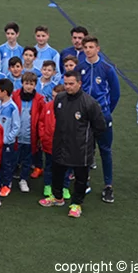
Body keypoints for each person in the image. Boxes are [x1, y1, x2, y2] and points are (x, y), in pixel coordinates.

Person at [39, 71, 108, 219]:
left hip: (81, 149)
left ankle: (77, 204)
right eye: (66, 84)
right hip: (60, 144)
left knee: (80, 177)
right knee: (57, 172)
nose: (68, 87)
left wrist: (86, 141)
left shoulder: (89, 103)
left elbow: (100, 126)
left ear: (79, 83)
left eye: (71, 84)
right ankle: (57, 198)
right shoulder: (60, 99)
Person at [78, 37, 120, 203]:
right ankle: (84, 181)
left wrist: (107, 111)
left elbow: (115, 93)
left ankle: (108, 186)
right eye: (85, 47)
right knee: (86, 149)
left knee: (105, 150)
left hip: (102, 116)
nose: (88, 50)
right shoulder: (80, 67)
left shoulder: (107, 69)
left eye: (91, 47)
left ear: (98, 49)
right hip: (84, 116)